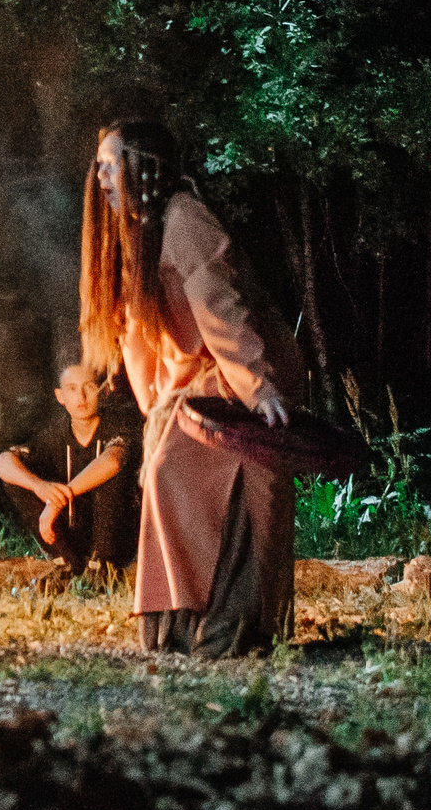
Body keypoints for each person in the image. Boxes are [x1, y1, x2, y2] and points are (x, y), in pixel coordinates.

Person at [84, 118, 305, 656]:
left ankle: (230, 628)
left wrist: (259, 388)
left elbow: (220, 306)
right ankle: (175, 632)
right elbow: (138, 332)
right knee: (162, 473)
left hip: (237, 375)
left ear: (144, 167)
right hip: (193, 385)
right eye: (100, 166)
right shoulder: (135, 229)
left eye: (111, 165)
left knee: (179, 473)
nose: (101, 177)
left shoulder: (184, 217)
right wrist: (155, 407)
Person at [0, 365, 141, 577]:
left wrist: (55, 503)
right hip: (75, 534)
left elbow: (112, 461)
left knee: (112, 475)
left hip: (117, 537)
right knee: (18, 478)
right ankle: (67, 561)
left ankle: (103, 564)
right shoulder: (55, 434)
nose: (81, 396)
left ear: (104, 391)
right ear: (60, 396)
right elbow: (1, 461)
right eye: (72, 389)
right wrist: (39, 486)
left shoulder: (118, 423)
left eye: (89, 387)